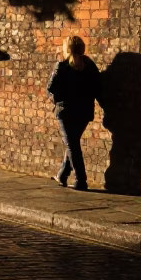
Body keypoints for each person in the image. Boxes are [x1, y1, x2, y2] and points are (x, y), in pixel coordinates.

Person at [47, 35, 101, 191]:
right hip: (84, 111)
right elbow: (98, 87)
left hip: (66, 111)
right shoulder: (89, 65)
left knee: (72, 146)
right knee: (73, 144)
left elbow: (50, 89)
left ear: (67, 49)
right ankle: (63, 175)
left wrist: (57, 101)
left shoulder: (61, 66)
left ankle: (81, 180)